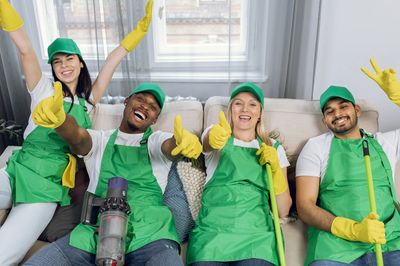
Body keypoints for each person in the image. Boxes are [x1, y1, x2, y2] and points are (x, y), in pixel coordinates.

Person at [0, 0, 153, 264]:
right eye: (57, 62)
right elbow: (25, 51)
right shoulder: (43, 90)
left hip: (46, 188)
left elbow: (112, 61)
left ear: (80, 63)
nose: (64, 65)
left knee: (4, 253)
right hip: (16, 169)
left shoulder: (89, 101)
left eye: (69, 58)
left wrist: (138, 32)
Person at [24, 82, 202, 265]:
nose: (144, 106)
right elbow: (77, 136)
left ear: (155, 119)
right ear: (126, 101)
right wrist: (61, 121)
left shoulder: (156, 141)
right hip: (93, 236)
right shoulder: (99, 139)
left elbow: (169, 147)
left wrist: (181, 144)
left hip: (151, 236)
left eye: (153, 107)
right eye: (140, 99)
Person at [296, 58, 400, 266]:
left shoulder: (385, 142)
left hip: (390, 242)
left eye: (343, 106)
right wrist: (353, 230)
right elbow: (305, 206)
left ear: (357, 110)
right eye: (330, 111)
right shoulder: (315, 147)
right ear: (324, 120)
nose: (338, 114)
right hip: (336, 249)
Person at [186, 82, 292, 266]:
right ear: (230, 110)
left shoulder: (273, 147)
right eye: (238, 103)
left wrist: (275, 170)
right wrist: (212, 139)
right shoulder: (217, 134)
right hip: (212, 234)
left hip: (257, 238)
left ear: (260, 113)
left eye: (252, 104)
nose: (245, 109)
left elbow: (283, 209)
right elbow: (206, 143)